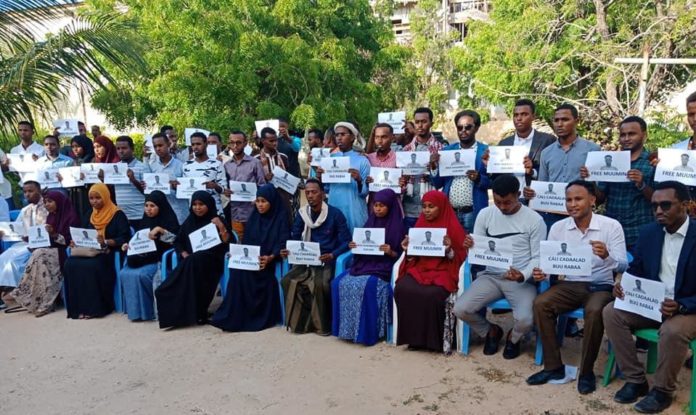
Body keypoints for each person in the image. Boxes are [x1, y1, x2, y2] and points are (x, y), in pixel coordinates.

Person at [526, 180, 628, 395]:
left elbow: (624, 264)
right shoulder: (558, 227)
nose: (572, 204)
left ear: (592, 200)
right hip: (570, 284)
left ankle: (587, 372)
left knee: (594, 310)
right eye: (568, 200)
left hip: (601, 285)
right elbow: (549, 263)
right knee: (541, 303)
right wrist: (542, 272)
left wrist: (607, 255)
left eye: (578, 199)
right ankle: (553, 367)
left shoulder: (611, 226)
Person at [602, 181, 696, 413]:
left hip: (688, 308)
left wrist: (682, 306)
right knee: (611, 312)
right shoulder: (649, 232)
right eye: (655, 206)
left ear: (687, 205)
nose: (658, 211)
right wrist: (624, 285)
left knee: (672, 331)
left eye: (666, 205)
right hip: (653, 303)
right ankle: (636, 380)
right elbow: (638, 269)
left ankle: (663, 391)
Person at [454, 175, 546, 359]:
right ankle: (491, 331)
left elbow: (538, 257)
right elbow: (478, 247)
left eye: (507, 202)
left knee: (526, 320)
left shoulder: (534, 220)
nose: (502, 207)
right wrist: (471, 245)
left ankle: (514, 337)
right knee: (460, 309)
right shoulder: (485, 214)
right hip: (491, 276)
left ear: (518, 195)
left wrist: (522, 275)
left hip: (520, 280)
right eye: (497, 202)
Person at [395, 190, 468, 353]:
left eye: (431, 207)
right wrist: (407, 249)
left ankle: (433, 342)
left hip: (444, 269)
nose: (426, 210)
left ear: (441, 207)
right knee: (402, 288)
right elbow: (413, 256)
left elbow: (461, 256)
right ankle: (412, 339)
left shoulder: (453, 226)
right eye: (424, 206)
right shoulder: (420, 225)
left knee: (433, 294)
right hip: (420, 268)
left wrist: (449, 249)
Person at [332, 188, 406, 345]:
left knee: (369, 285)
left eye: (382, 205)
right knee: (338, 283)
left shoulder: (398, 226)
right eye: (375, 205)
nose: (378, 209)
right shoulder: (369, 222)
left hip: (384, 268)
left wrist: (390, 252)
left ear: (391, 206)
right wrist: (354, 246)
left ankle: (367, 331)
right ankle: (346, 329)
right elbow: (360, 249)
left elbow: (402, 256)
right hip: (364, 264)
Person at [212, 184, 290, 332]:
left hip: (268, 263)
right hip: (251, 260)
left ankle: (254, 317)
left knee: (257, 280)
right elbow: (247, 242)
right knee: (236, 273)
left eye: (264, 201)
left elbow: (283, 242)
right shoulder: (254, 217)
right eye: (258, 201)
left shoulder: (280, 218)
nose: (260, 205)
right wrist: (238, 253)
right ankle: (235, 316)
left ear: (272, 202)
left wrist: (270, 257)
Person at [280, 179, 351, 335]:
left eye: (314, 192)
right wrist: (289, 250)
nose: (310, 195)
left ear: (323, 194)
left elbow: (346, 241)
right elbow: (296, 237)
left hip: (325, 259)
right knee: (287, 281)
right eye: (307, 192)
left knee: (321, 284)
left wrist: (333, 255)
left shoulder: (335, 214)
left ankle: (322, 325)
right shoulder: (303, 214)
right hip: (305, 259)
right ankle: (300, 323)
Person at [155, 191, 230, 328]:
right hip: (192, 262)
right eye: (194, 204)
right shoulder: (189, 221)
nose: (197, 208)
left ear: (209, 205)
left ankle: (198, 312)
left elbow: (227, 242)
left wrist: (220, 226)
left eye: (201, 204)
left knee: (197, 260)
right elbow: (178, 241)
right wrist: (183, 253)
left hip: (213, 261)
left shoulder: (217, 219)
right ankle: (186, 314)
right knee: (167, 288)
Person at [581, 116, 655, 250]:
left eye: (631, 134)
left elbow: (658, 200)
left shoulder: (652, 163)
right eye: (623, 135)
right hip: (613, 233)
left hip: (641, 233)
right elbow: (600, 199)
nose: (626, 138)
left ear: (644, 135)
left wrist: (642, 184)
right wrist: (590, 179)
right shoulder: (611, 162)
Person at [524, 103, 600, 230]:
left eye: (565, 119)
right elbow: (542, 185)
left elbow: (600, 191)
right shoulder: (546, 153)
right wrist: (532, 194)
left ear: (577, 121)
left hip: (582, 216)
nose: (559, 124)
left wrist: (590, 178)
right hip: (552, 217)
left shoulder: (593, 150)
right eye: (556, 120)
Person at [63, 183, 131, 319]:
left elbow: (124, 237)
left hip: (108, 252)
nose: (94, 201)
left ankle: (96, 308)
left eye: (98, 198)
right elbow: (83, 233)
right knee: (70, 264)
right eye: (91, 198)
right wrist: (75, 241)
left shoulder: (117, 214)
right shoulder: (89, 214)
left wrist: (105, 241)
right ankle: (78, 308)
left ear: (106, 197)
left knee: (92, 266)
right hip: (88, 250)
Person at [10, 191, 80, 316]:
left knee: (40, 255)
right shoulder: (51, 216)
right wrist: (32, 240)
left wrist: (54, 234)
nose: (47, 205)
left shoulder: (71, 216)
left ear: (58, 201)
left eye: (50, 201)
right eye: (45, 202)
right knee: (38, 254)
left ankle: (45, 301)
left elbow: (69, 241)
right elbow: (45, 238)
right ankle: (38, 299)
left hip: (64, 251)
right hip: (50, 250)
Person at [119, 191, 180, 321]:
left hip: (160, 259)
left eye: (152, 206)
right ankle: (136, 313)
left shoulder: (168, 219)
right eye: (146, 205)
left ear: (161, 206)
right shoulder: (145, 220)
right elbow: (138, 240)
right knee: (125, 273)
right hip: (143, 258)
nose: (148, 209)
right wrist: (128, 246)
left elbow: (176, 240)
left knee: (142, 275)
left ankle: (149, 312)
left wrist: (161, 231)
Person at [432, 110, 490, 233]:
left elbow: (493, 183)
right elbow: (438, 184)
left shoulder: (485, 151)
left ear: (477, 128)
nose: (463, 131)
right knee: (453, 249)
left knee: (472, 247)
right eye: (459, 127)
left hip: (473, 211)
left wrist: (479, 178)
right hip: (450, 211)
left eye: (468, 127)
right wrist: (433, 166)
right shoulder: (447, 151)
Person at [0, 181, 48, 309]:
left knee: (15, 261)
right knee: (3, 258)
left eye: (30, 191)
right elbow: (15, 227)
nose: (27, 194)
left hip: (40, 243)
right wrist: (4, 232)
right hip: (24, 242)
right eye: (25, 192)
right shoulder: (25, 210)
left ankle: (23, 293)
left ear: (39, 190)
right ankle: (9, 291)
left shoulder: (47, 206)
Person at [317, 122, 370, 233]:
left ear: (352, 137)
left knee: (354, 242)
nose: (339, 138)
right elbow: (326, 188)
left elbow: (365, 193)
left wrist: (359, 180)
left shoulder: (362, 160)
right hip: (335, 204)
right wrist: (320, 177)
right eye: (337, 135)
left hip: (354, 208)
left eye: (343, 134)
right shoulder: (330, 159)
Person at [400, 108, 445, 229]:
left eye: (424, 121)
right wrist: (401, 181)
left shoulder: (441, 149)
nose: (420, 125)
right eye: (417, 122)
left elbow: (442, 182)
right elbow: (399, 181)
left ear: (431, 123)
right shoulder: (405, 151)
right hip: (408, 209)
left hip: (432, 210)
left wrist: (433, 167)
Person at [223, 130, 266, 242]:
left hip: (252, 212)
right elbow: (224, 186)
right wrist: (226, 191)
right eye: (232, 143)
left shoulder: (255, 163)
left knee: (254, 243)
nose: (235, 146)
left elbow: (262, 186)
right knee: (238, 244)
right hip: (234, 212)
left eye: (238, 142)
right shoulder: (226, 165)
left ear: (245, 143)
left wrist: (257, 199)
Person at [144, 133, 187, 223]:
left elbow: (187, 190)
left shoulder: (181, 165)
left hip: (179, 214)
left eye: (160, 145)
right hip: (160, 216)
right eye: (155, 146)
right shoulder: (152, 166)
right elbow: (148, 188)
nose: (158, 149)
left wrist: (178, 186)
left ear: (168, 144)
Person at [181, 132, 226, 215]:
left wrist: (215, 185)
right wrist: (177, 186)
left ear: (206, 144)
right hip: (195, 212)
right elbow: (184, 189)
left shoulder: (217, 164)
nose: (195, 147)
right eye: (193, 144)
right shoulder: (186, 165)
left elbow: (224, 189)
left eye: (198, 144)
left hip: (215, 211)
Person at [255, 127, 293, 220]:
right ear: (263, 141)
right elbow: (254, 181)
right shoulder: (256, 159)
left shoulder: (283, 157)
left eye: (276, 140)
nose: (275, 143)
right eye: (271, 141)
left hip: (282, 198)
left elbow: (288, 177)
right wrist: (265, 178)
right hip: (265, 201)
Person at [114, 136, 146, 227]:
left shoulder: (142, 167)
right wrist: (103, 179)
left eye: (124, 148)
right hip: (122, 215)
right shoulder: (115, 167)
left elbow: (147, 192)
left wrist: (133, 180)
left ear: (132, 149)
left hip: (139, 214)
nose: (121, 151)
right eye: (118, 148)